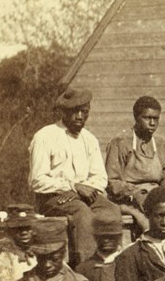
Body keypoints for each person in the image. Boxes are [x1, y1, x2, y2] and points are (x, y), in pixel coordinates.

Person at [27, 87, 118, 266]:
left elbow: (100, 177)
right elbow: (36, 181)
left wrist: (81, 190)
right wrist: (73, 186)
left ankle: (109, 266)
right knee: (83, 214)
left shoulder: (89, 139)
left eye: (84, 112)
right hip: (52, 199)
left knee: (112, 210)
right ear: (64, 112)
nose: (79, 116)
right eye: (74, 111)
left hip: (83, 195)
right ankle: (87, 269)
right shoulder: (45, 136)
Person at [104, 95, 165, 237]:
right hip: (129, 199)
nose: (152, 123)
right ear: (136, 118)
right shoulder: (120, 142)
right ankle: (155, 247)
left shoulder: (160, 143)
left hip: (157, 195)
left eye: (156, 118)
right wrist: (136, 195)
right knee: (152, 221)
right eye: (147, 118)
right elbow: (112, 181)